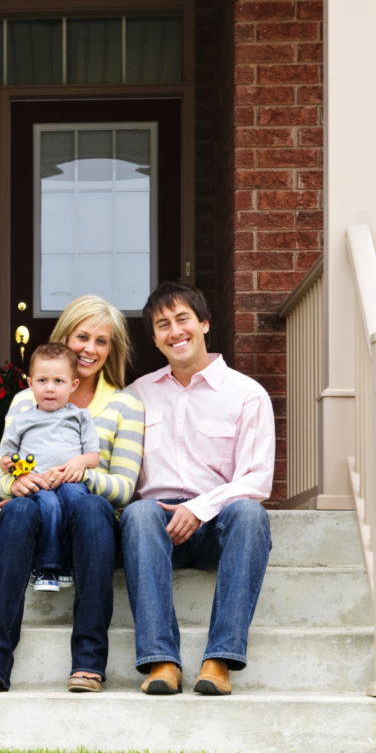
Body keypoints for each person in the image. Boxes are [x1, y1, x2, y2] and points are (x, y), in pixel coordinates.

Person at [0, 295, 146, 694]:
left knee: (96, 509)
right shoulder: (26, 400)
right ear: (66, 336)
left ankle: (87, 664)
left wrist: (80, 473)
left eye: (102, 341)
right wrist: (15, 485)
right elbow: (1, 471)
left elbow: (124, 488)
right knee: (15, 513)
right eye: (82, 336)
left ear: (110, 350)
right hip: (37, 512)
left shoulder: (126, 405)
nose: (90, 348)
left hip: (89, 522)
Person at [122, 282, 275, 696]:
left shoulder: (247, 395)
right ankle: (161, 662)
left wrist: (201, 508)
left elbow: (257, 479)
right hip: (154, 529)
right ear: (155, 338)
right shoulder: (136, 396)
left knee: (250, 512)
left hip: (217, 526)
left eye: (183, 319)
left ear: (204, 323)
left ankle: (218, 660)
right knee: (137, 513)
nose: (175, 331)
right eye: (162, 325)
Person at [0, 342, 101, 592]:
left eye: (59, 381)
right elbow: (4, 458)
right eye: (42, 381)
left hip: (70, 481)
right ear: (30, 384)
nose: (49, 388)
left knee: (77, 502)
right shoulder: (22, 419)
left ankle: (71, 560)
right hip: (38, 482)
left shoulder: (81, 416)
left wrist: (79, 463)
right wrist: (11, 467)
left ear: (73, 385)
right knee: (50, 506)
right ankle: (47, 566)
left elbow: (93, 456)